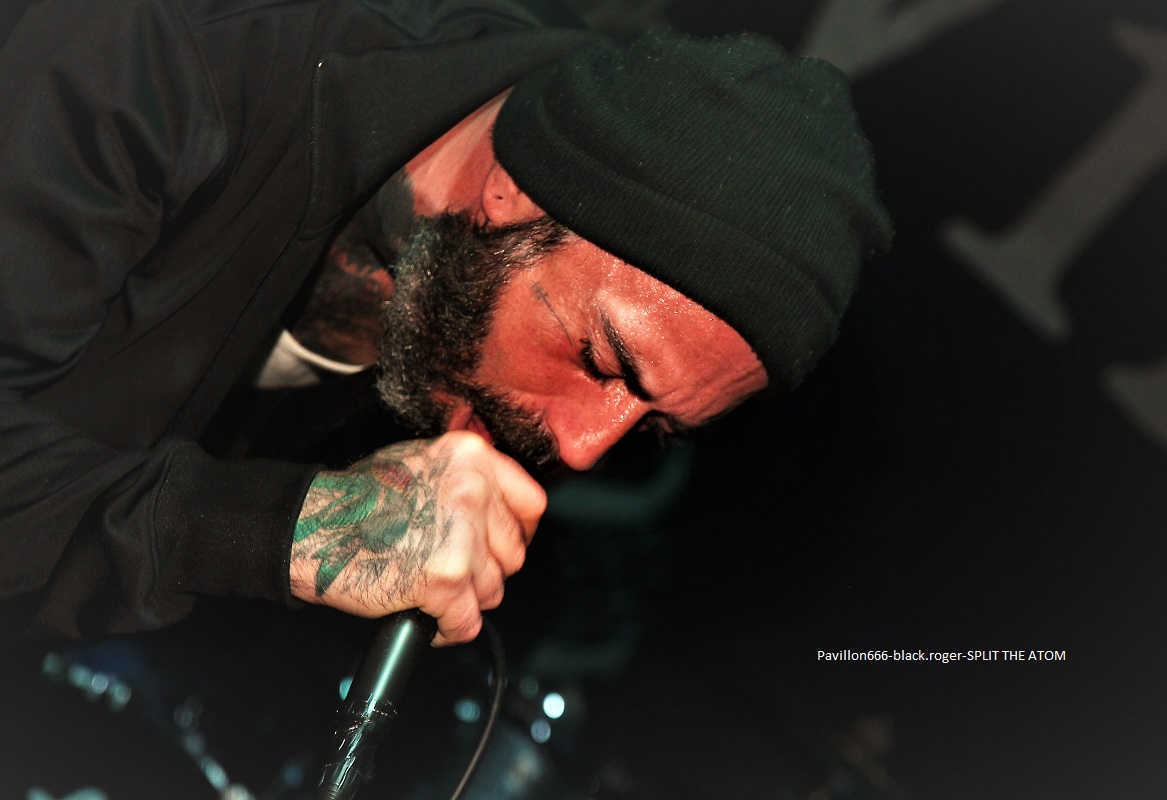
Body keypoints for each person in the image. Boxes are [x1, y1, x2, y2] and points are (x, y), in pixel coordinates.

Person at [0, 0, 891, 646]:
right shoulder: (176, 53)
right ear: (515, 192)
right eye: (603, 359)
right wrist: (283, 529)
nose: (585, 450)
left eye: (653, 427)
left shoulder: (474, 292)